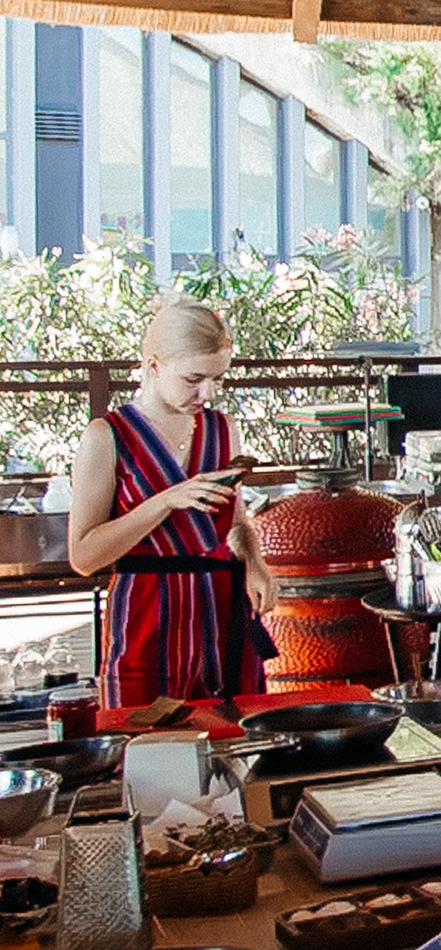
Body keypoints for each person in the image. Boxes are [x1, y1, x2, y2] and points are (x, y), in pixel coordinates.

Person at [68, 295, 277, 706]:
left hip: (221, 610)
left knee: (236, 742)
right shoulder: (107, 437)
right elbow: (83, 557)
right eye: (194, 379)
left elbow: (234, 522)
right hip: (147, 612)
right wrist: (165, 501)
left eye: (217, 379)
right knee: (146, 746)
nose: (208, 392)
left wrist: (255, 562)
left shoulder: (222, 430)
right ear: (153, 365)